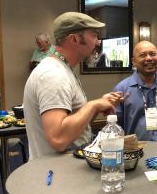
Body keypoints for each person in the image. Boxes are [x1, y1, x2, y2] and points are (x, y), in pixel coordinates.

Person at [24, 12, 125, 161]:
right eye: (94, 35)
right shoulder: (53, 75)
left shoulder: (62, 69)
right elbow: (58, 139)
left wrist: (97, 106)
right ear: (75, 39)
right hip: (55, 177)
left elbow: (75, 126)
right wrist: (93, 105)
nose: (97, 42)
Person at [112, 40, 157, 141]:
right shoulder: (122, 89)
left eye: (152, 54)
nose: (149, 58)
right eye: (142, 55)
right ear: (133, 61)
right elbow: (115, 127)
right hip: (135, 151)